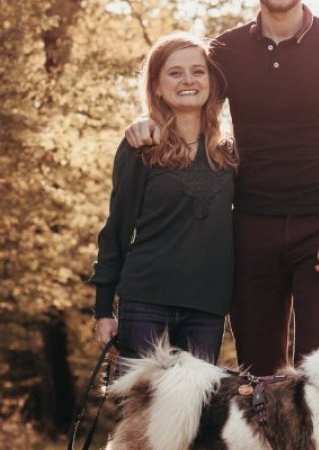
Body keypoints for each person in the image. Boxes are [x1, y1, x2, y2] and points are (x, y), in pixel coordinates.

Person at [124, 0, 319, 375]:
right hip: (249, 231)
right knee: (258, 382)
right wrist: (147, 121)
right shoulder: (226, 51)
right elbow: (185, 98)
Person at [90, 32, 238, 364]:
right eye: (175, 72)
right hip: (145, 302)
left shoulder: (230, 153)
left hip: (207, 308)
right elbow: (116, 229)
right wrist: (103, 310)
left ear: (211, 81)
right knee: (142, 414)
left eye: (198, 71)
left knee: (191, 414)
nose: (188, 80)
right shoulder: (141, 147)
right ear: (156, 86)